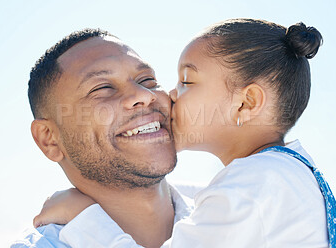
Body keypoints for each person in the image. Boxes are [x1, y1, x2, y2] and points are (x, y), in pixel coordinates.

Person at [35, 19, 336, 248]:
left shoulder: (244, 192)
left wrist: (86, 218)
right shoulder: (286, 176)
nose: (162, 96)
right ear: (49, 138)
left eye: (186, 82)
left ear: (246, 103)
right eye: (103, 87)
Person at [11, 29, 198, 248]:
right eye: (103, 88)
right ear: (49, 139)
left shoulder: (233, 208)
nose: (144, 95)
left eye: (147, 80)